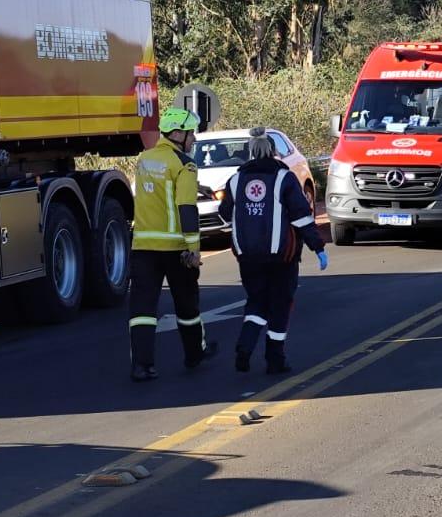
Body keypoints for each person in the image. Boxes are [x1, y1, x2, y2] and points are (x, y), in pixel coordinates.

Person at [218, 129, 328, 373]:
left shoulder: (236, 180)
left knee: (256, 301)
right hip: (282, 257)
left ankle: (245, 347)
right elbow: (301, 217)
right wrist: (318, 247)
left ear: (251, 152)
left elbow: (225, 213)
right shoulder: (284, 178)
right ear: (273, 151)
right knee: (280, 304)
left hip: (247, 256)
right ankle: (275, 359)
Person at [128, 107, 211, 382]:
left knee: (142, 310)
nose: (194, 139)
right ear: (178, 134)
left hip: (143, 248)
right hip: (176, 250)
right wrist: (194, 248)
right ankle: (194, 355)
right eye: (191, 133)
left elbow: (154, 195)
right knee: (187, 306)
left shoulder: (144, 160)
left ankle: (142, 366)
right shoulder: (184, 164)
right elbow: (186, 208)